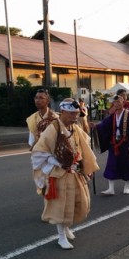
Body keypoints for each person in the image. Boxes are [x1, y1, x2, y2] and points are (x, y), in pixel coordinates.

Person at [31, 99, 100, 250]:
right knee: (60, 206)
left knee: (77, 203)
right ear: (63, 112)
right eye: (72, 113)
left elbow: (83, 148)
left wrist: (86, 168)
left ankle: (67, 227)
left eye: (76, 113)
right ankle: (61, 236)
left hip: (74, 173)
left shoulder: (75, 127)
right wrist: (59, 162)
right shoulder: (53, 129)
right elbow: (39, 152)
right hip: (58, 174)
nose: (75, 116)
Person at [93, 95, 129, 195]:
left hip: (125, 145)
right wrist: (95, 126)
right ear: (113, 104)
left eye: (119, 102)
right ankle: (111, 189)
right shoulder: (112, 116)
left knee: (127, 166)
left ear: (123, 103)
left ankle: (127, 187)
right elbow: (104, 125)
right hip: (114, 145)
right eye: (115, 102)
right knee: (111, 165)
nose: (117, 104)